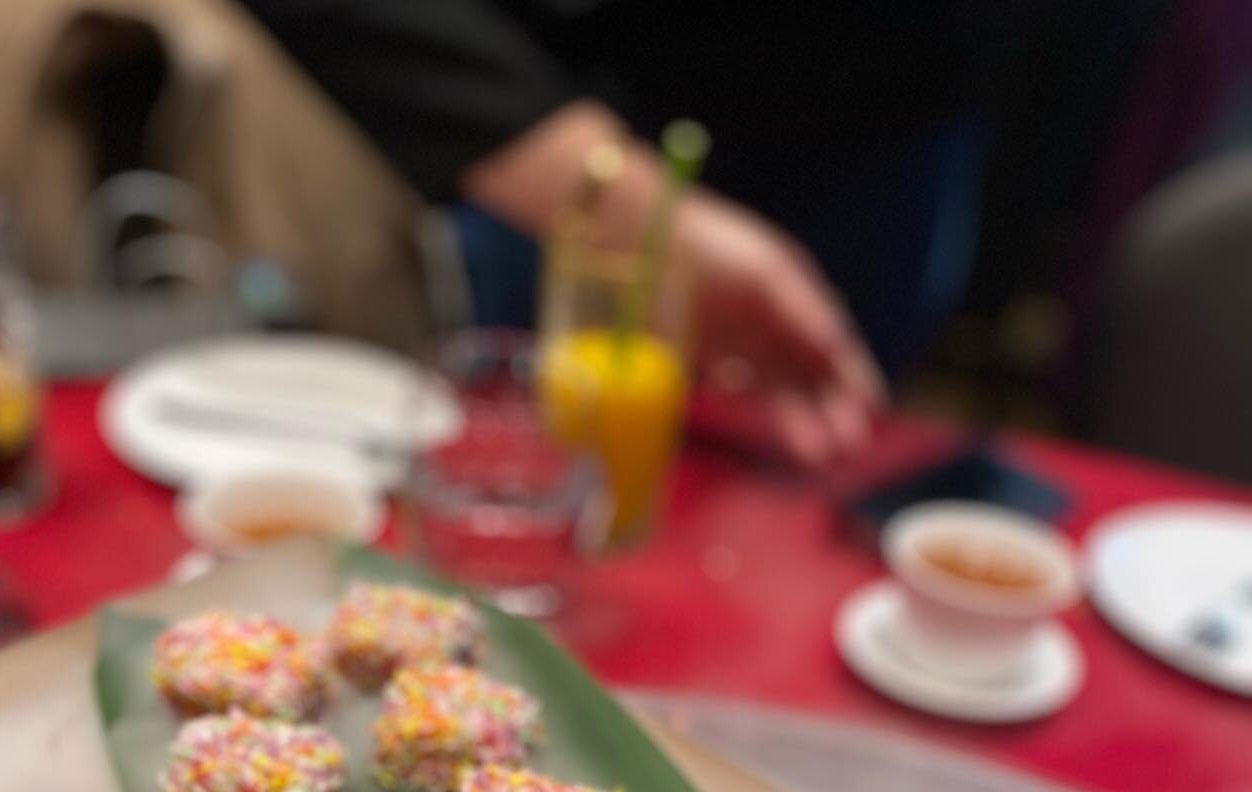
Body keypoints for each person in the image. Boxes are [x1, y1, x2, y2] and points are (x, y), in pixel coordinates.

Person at [243, 0, 1022, 464]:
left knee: (815, 487)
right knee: (533, 497)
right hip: (579, 114)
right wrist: (623, 207)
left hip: (897, 121)